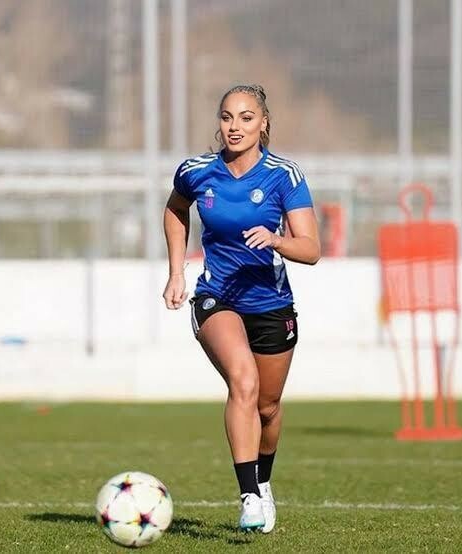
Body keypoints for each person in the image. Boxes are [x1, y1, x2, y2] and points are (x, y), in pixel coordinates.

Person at [162, 84, 320, 532]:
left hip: (271, 304)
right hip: (217, 297)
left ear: (263, 123)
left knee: (267, 408)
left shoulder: (283, 176)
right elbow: (175, 210)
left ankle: (263, 483)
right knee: (243, 382)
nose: (235, 127)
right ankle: (248, 496)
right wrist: (176, 272)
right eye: (227, 117)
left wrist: (276, 240)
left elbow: (311, 249)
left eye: (246, 118)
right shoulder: (195, 172)